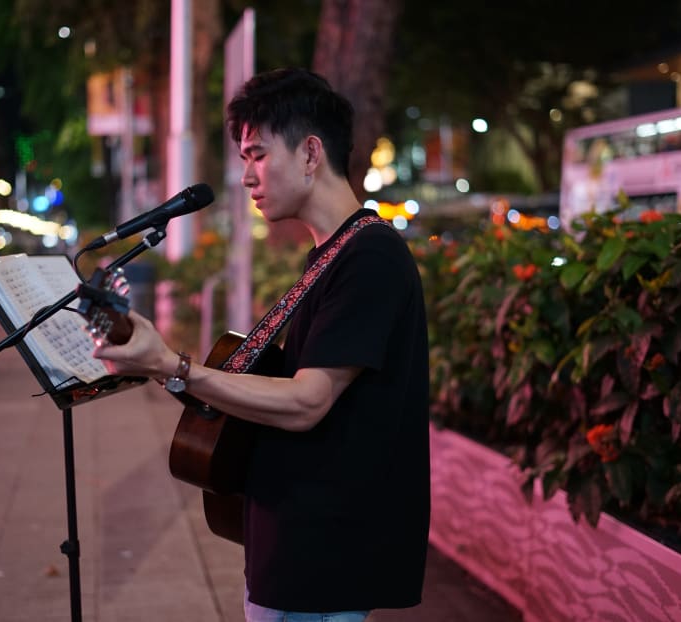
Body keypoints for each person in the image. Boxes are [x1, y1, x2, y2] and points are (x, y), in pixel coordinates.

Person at [94, 68, 430, 621]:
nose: (247, 176)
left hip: (325, 559)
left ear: (310, 152)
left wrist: (177, 365)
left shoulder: (371, 259)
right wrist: (160, 367)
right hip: (295, 544)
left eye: (257, 154)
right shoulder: (331, 256)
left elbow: (306, 402)